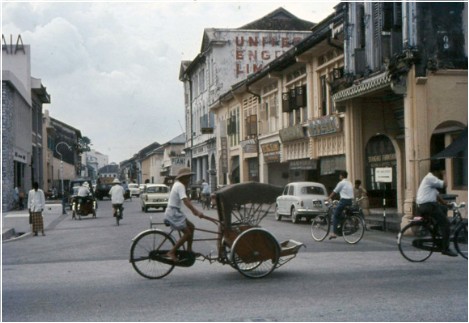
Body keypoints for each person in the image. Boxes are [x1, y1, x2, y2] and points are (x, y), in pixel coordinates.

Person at [416, 163, 457, 257]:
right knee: (446, 224)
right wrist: (445, 174)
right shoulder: (431, 178)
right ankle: (445, 248)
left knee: (443, 209)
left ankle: (437, 229)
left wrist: (446, 204)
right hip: (428, 206)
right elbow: (445, 185)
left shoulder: (430, 179)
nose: (439, 174)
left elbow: (437, 195)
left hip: (424, 205)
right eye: (439, 172)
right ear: (436, 171)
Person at [165, 167, 205, 262]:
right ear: (182, 178)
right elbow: (186, 201)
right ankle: (171, 252)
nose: (189, 180)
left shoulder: (179, 185)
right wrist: (196, 211)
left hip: (176, 212)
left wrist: (195, 210)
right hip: (173, 213)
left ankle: (189, 250)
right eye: (188, 178)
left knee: (191, 227)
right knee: (187, 233)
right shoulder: (180, 186)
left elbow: (187, 200)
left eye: (189, 177)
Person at [327, 170, 354, 240]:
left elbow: (335, 191)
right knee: (341, 214)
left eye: (340, 175)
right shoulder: (350, 183)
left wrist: (328, 198)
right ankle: (342, 226)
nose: (339, 176)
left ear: (341, 176)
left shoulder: (341, 183)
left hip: (344, 201)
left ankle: (334, 233)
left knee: (335, 215)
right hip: (350, 201)